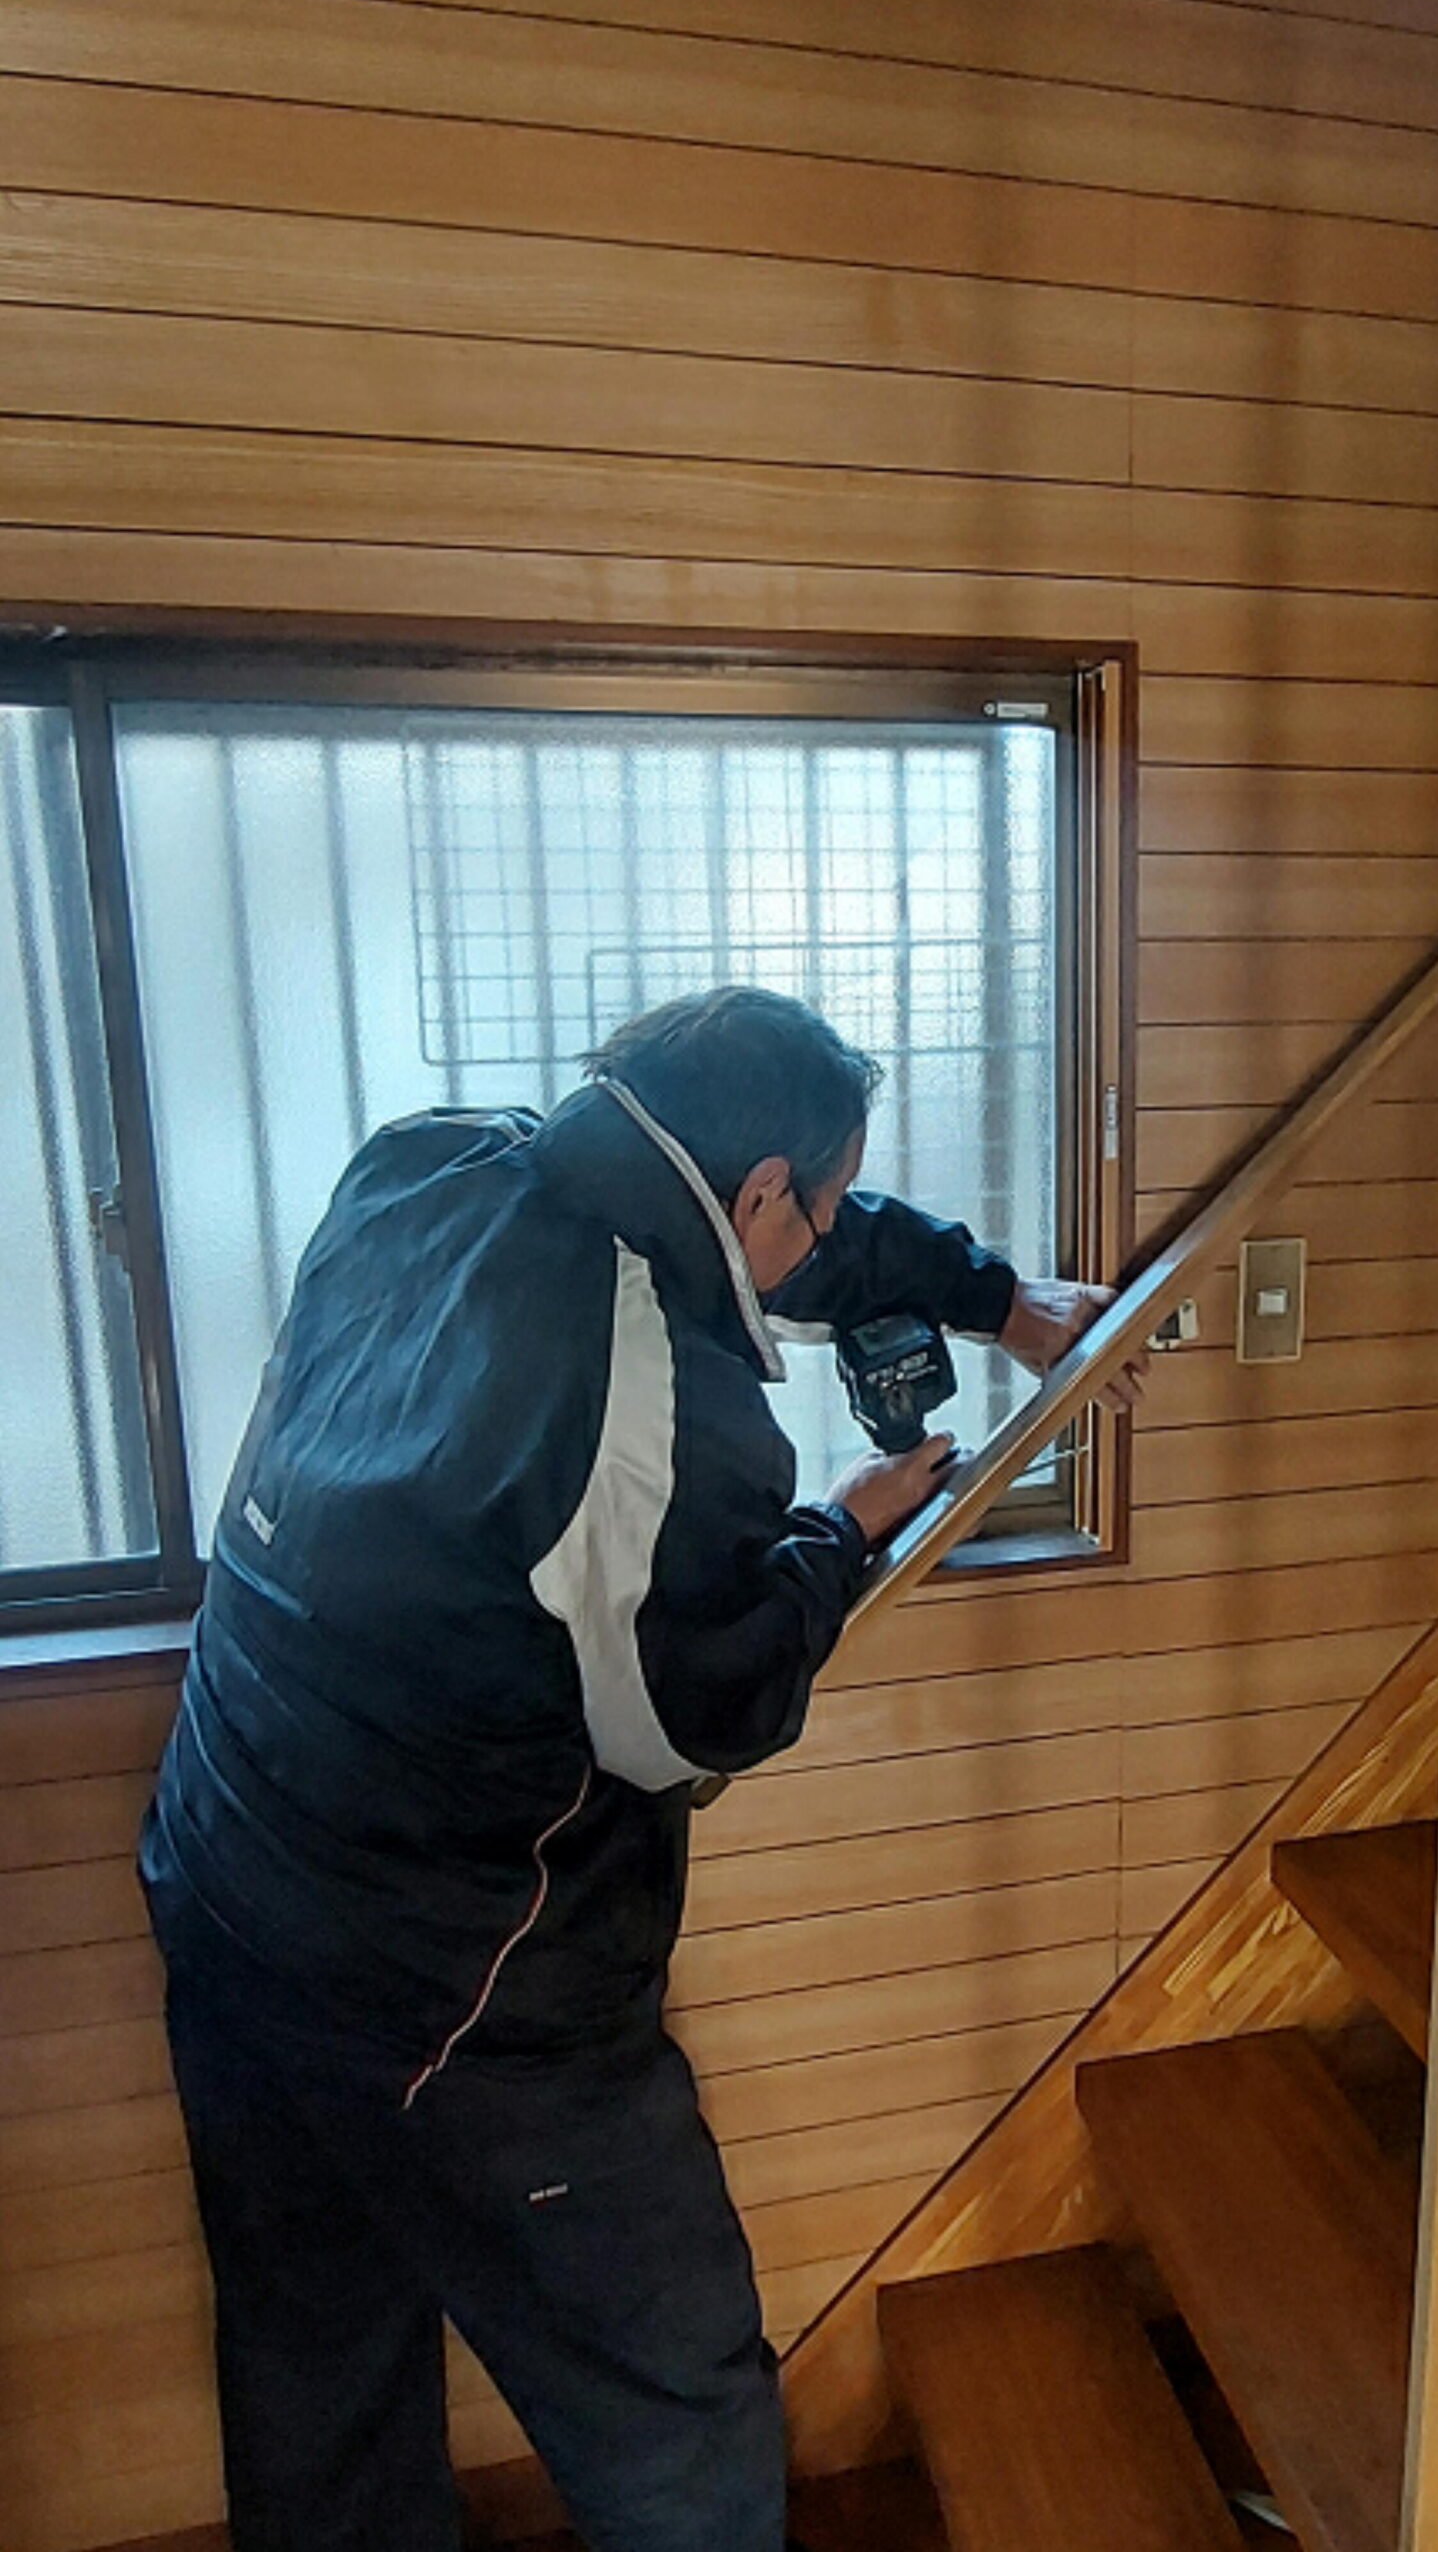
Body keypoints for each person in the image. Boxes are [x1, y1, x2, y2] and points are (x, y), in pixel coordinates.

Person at [140, 985, 1140, 2552]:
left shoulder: (427, 1164)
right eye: (817, 1205)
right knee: (674, 2417)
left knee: (316, 2361)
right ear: (759, 1189)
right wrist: (837, 1536)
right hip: (458, 1997)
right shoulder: (664, 1401)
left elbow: (767, 1248)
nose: (822, 1239)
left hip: (221, 1870)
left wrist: (993, 1297)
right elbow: (688, 1718)